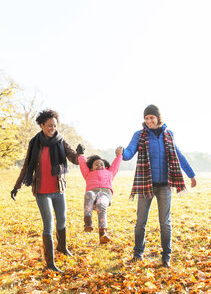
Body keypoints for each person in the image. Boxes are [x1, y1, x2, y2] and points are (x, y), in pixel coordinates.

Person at [116, 104, 196, 268]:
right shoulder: (139, 135)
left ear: (158, 118)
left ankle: (166, 256)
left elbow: (179, 155)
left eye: (151, 117)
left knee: (165, 223)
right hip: (146, 185)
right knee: (140, 222)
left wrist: (191, 174)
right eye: (146, 118)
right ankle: (138, 254)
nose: (149, 121)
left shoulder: (169, 135)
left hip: (165, 186)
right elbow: (129, 152)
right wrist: (122, 152)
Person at [11, 109, 83, 273]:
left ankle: (62, 248)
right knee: (48, 225)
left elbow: (73, 158)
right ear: (42, 125)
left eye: (55, 125)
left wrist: (79, 153)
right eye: (49, 125)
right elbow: (26, 166)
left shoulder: (60, 140)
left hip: (58, 189)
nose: (52, 128)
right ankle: (50, 263)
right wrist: (17, 186)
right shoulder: (34, 142)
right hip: (42, 191)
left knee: (62, 220)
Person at [77, 145, 122, 244]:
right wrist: (80, 155)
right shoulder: (88, 173)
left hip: (105, 194)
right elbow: (83, 165)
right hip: (92, 193)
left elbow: (116, 165)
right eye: (96, 164)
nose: (99, 166)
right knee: (88, 193)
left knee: (101, 205)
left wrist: (119, 155)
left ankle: (103, 233)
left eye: (101, 164)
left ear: (105, 166)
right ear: (91, 168)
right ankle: (88, 222)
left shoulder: (109, 173)